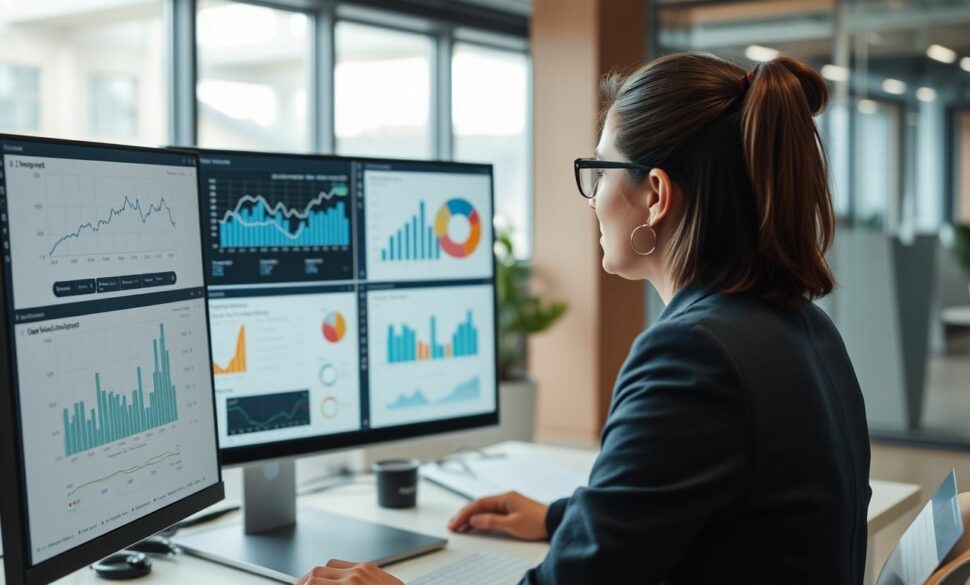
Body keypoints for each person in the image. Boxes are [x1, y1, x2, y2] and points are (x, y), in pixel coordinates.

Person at [299, 52, 871, 585]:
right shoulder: (805, 327)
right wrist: (563, 518)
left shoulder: (694, 355)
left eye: (600, 171)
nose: (594, 197)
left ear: (654, 195)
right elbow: (726, 502)